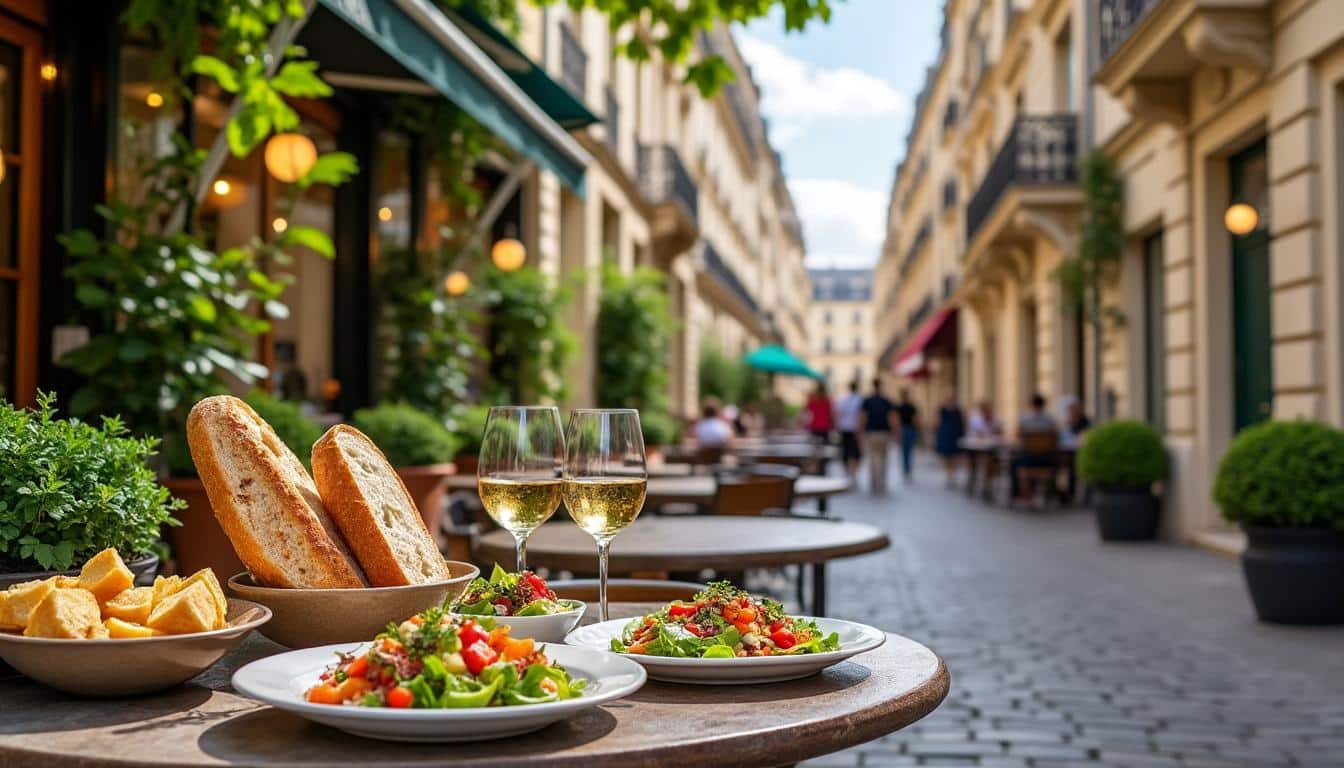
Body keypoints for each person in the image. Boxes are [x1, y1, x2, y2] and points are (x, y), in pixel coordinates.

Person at [1010, 394, 1059, 500]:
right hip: (1046, 460)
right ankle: (1051, 492)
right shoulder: (1050, 419)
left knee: (1013, 463)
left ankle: (1017, 494)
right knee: (1058, 462)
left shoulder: (1025, 418)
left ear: (1031, 405)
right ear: (1044, 405)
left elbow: (1017, 435)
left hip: (1028, 459)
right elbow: (1055, 436)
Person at [857, 378, 897, 494]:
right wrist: (895, 432)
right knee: (883, 459)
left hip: (871, 433)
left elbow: (863, 417)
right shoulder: (887, 401)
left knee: (873, 458)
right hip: (884, 433)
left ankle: (874, 481)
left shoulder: (867, 401)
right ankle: (881, 482)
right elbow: (892, 418)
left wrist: (860, 430)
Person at [933, 392, 966, 488]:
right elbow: (937, 422)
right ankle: (948, 475)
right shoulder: (942, 409)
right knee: (946, 456)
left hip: (955, 435)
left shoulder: (959, 410)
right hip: (945, 435)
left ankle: (953, 474)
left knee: (954, 456)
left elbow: (963, 422)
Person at [835, 380, 865, 480]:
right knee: (856, 452)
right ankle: (853, 472)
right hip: (855, 429)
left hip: (845, 428)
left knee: (846, 451)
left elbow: (838, 414)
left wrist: (838, 427)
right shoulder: (860, 399)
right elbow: (861, 415)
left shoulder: (843, 399)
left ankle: (848, 471)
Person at [895, 389, 919, 481]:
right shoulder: (911, 407)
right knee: (909, 451)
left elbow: (896, 420)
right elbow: (915, 419)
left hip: (903, 430)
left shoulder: (899, 407)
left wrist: (897, 432)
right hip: (910, 429)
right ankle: (907, 470)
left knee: (904, 452)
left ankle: (905, 470)